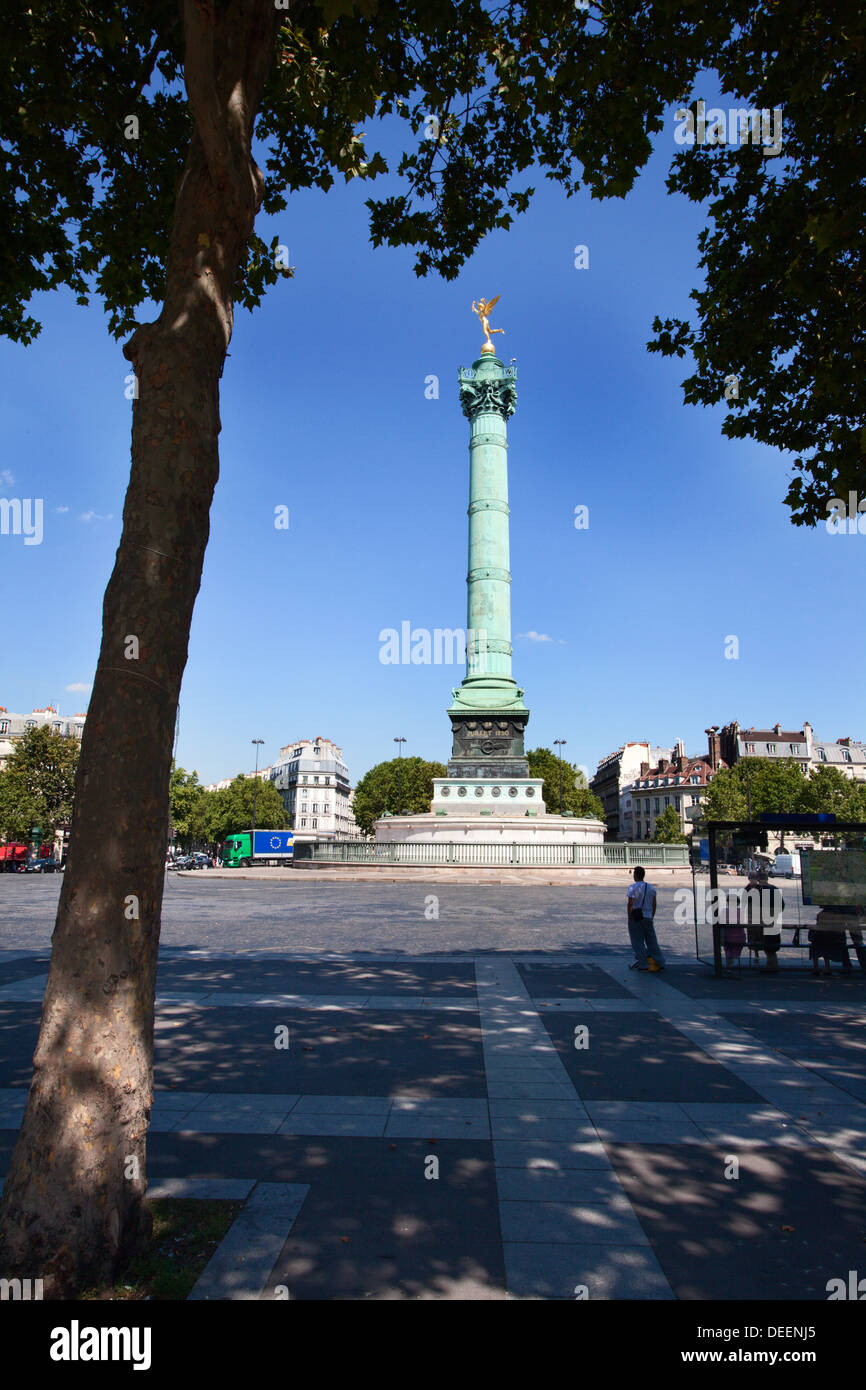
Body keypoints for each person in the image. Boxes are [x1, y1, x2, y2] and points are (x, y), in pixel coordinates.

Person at [742, 868, 784, 972]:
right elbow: (781, 905)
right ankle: (772, 965)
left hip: (759, 922)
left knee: (762, 943)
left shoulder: (755, 890)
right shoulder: (774, 889)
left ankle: (770, 965)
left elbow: (744, 901)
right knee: (770, 947)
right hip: (770, 921)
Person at [627, 866, 664, 972]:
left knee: (637, 941)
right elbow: (654, 904)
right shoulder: (651, 887)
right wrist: (651, 916)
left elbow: (630, 904)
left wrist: (629, 917)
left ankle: (643, 963)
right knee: (652, 941)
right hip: (648, 917)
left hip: (637, 917)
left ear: (636, 875)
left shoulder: (633, 887)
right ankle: (660, 962)